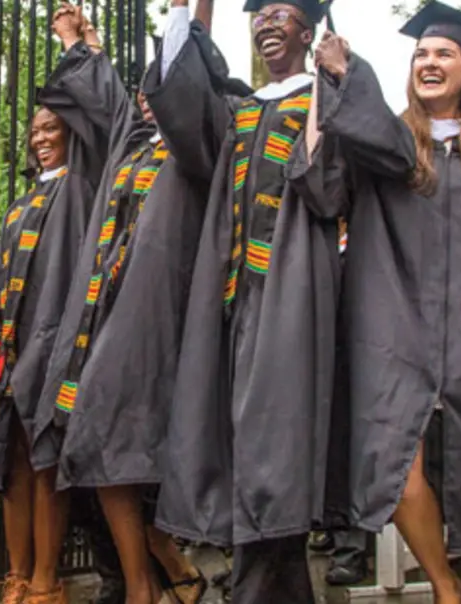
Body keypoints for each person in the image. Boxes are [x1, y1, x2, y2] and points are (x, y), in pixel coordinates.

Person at [297, 2, 461, 602]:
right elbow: (320, 191)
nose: (429, 61)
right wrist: (330, 88)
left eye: (444, 53)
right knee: (395, 467)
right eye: (421, 53)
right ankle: (447, 588)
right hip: (395, 320)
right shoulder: (385, 143)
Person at [142, 0, 345, 601]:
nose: (266, 22)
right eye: (258, 14)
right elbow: (180, 107)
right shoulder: (240, 110)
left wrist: (334, 87)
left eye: (281, 13)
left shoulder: (327, 94)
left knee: (271, 445)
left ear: (308, 32)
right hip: (230, 301)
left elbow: (330, 189)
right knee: (242, 441)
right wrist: (181, 12)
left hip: (293, 296)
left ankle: (252, 591)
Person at [31, 3, 228, 602]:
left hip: (157, 320)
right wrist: (80, 41)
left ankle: (156, 573)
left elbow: (186, 80)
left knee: (122, 435)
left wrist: (194, 13)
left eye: (159, 89)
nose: (148, 99)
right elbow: (107, 100)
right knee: (90, 437)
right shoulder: (133, 145)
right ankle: (151, 575)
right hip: (98, 315)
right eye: (144, 92)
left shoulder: (201, 144)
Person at [0, 9, 113, 602]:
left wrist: (78, 46)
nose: (40, 135)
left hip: (55, 348)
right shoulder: (21, 204)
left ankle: (49, 582)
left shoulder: (83, 188)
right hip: (12, 351)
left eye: (52, 127)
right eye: (34, 129)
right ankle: (18, 575)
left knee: (46, 462)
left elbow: (99, 111)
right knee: (12, 468)